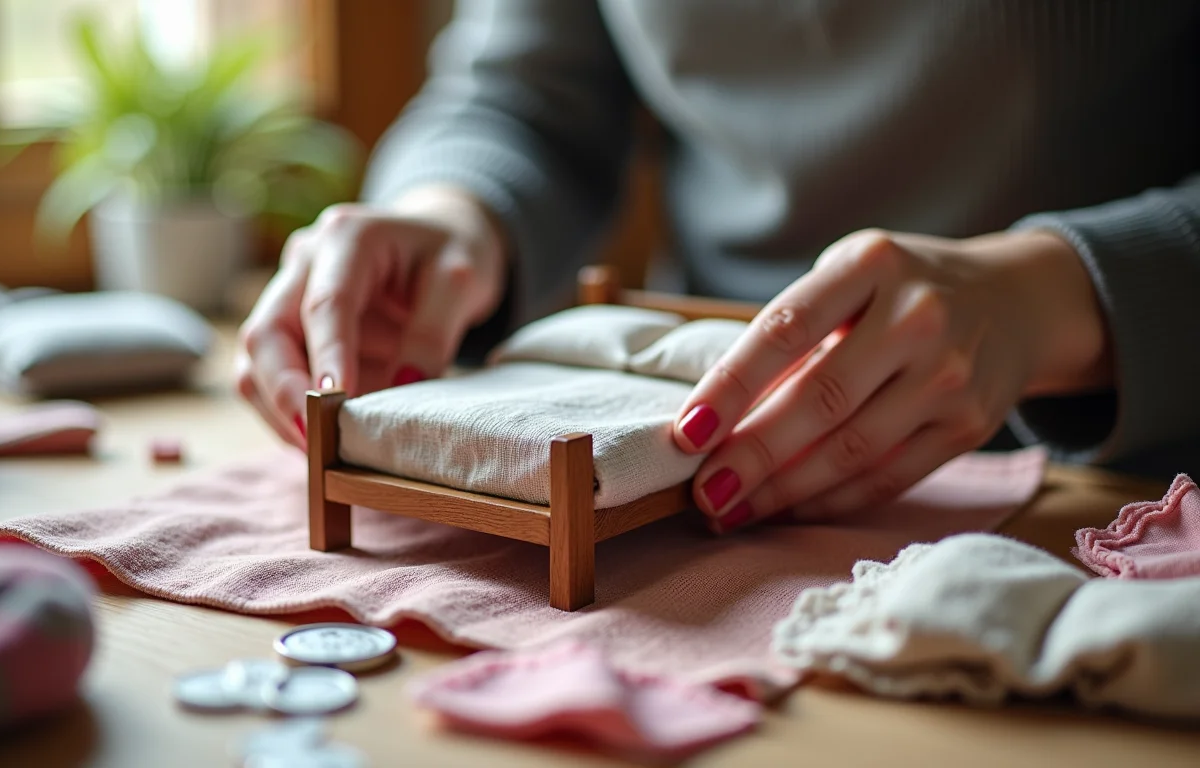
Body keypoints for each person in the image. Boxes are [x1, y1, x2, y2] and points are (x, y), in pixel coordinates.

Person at [236, 1, 1200, 534]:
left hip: (1121, 485)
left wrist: (1053, 294)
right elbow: (519, 94)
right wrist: (447, 212)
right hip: (697, 469)